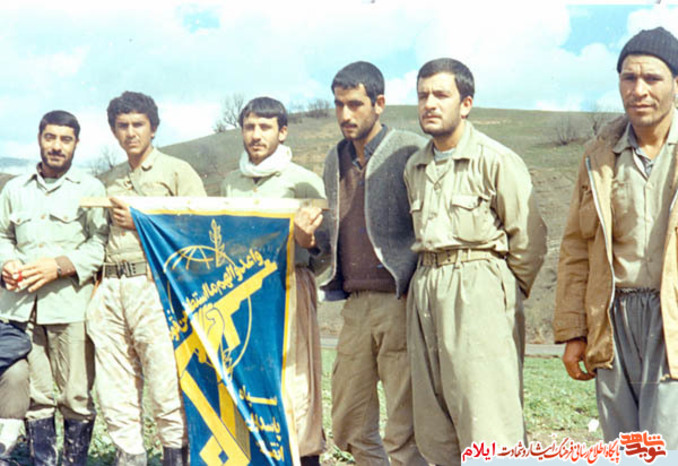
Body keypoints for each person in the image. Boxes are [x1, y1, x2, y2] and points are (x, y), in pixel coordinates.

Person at [404, 58, 547, 465]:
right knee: (435, 423)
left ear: (466, 104)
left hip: (477, 285)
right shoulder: (415, 167)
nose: (430, 104)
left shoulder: (495, 159)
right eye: (422, 96)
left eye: (441, 95)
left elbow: (529, 240)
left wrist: (500, 290)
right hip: (426, 284)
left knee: (488, 420)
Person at [554, 27, 678, 448]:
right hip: (612, 318)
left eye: (652, 78)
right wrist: (575, 331)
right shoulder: (598, 154)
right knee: (623, 446)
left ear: (676, 84)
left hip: (671, 318)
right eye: (629, 78)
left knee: (665, 444)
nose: (639, 90)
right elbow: (575, 247)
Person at [86, 91, 206, 465]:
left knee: (165, 381)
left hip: (154, 284)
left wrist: (143, 222)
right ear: (113, 131)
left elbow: (199, 230)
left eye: (138, 124)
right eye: (122, 126)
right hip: (112, 285)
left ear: (153, 128)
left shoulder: (176, 171)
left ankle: (175, 456)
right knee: (115, 385)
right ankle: (130, 456)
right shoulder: (110, 180)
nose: (130, 132)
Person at [321, 61, 428, 466]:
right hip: (354, 304)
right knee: (348, 421)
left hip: (399, 301)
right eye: (339, 105)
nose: (345, 114)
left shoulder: (409, 150)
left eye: (355, 104)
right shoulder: (335, 158)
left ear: (379, 103)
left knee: (404, 425)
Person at [221, 97, 326, 466]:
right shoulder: (231, 183)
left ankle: (304, 457)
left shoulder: (302, 181)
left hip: (288, 286)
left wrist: (304, 242)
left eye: (265, 127)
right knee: (250, 376)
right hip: (244, 291)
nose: (256, 135)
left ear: (282, 132)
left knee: (295, 383)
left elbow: (324, 249)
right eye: (249, 127)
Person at [0, 110, 108, 465]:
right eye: (50, 137)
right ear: (39, 139)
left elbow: (100, 244)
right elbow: (2, 236)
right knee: (36, 397)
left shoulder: (90, 189)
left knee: (76, 396)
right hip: (21, 308)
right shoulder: (15, 189)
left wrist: (59, 266)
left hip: (69, 307)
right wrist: (6, 263)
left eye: (65, 139)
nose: (57, 146)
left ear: (76, 143)